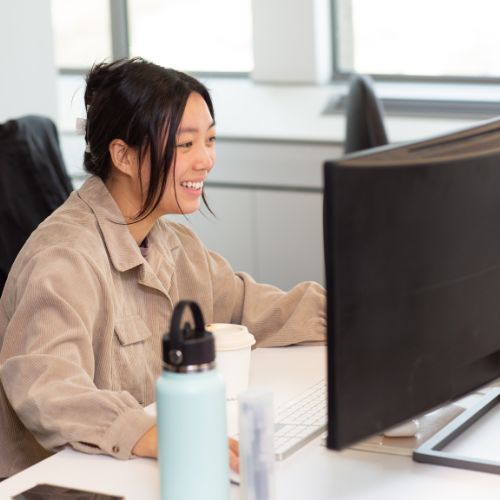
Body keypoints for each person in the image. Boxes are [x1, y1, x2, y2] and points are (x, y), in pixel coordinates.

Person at [0, 57, 326, 479]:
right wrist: (158, 434)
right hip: (64, 484)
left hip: (137, 471)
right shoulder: (64, 258)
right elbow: (48, 387)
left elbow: (254, 307)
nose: (206, 160)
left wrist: (359, 311)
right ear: (124, 156)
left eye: (209, 139)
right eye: (185, 145)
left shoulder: (174, 244)